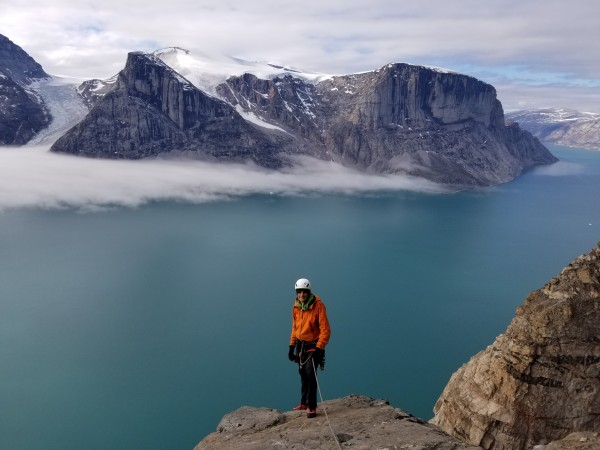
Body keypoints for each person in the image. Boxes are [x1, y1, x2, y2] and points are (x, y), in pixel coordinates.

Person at [288, 277, 331, 418]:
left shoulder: (318, 305)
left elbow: (325, 330)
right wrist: (291, 346)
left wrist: (319, 348)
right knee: (303, 374)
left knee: (311, 375)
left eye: (304, 292)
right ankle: (304, 403)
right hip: (301, 345)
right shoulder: (296, 307)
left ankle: (311, 406)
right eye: (299, 292)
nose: (301, 295)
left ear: (309, 292)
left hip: (313, 345)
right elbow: (295, 328)